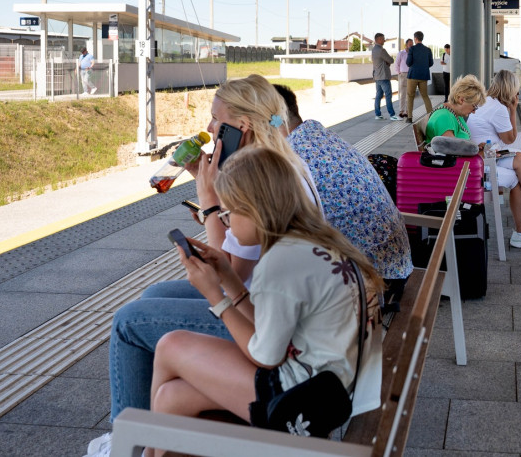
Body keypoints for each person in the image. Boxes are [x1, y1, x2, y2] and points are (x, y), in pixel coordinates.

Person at [102, 75, 320, 443]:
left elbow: (228, 272)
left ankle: (123, 438)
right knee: (153, 295)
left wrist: (209, 203)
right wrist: (215, 206)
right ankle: (142, 425)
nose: (209, 127)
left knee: (128, 321)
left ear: (241, 127)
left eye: (217, 119)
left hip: (269, 322)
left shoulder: (257, 178)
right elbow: (238, 254)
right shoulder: (282, 162)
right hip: (272, 305)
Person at [146, 147, 383, 452]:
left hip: (303, 403)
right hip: (335, 389)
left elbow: (266, 356)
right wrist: (229, 280)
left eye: (228, 214)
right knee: (171, 397)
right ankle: (146, 449)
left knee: (171, 345)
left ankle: (138, 443)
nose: (227, 224)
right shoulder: (313, 241)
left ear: (256, 208)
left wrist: (214, 295)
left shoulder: (280, 262)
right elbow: (269, 331)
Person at [274, 83, 412, 300]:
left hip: (372, 283)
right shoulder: (319, 136)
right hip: (394, 267)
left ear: (272, 120)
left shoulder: (291, 157)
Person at [425, 75, 521, 249]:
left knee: (519, 159)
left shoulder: (452, 114)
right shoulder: (444, 118)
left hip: (471, 166)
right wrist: (480, 152)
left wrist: (479, 148)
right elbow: (453, 154)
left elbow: (457, 148)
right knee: (518, 175)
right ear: (461, 99)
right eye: (474, 106)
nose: (474, 111)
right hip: (464, 174)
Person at [405, 30, 433, 122]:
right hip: (423, 76)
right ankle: (430, 115)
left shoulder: (412, 49)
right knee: (425, 96)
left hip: (413, 75)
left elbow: (408, 63)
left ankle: (409, 117)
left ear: (415, 38)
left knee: (410, 96)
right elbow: (431, 63)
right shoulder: (428, 50)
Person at [371, 32, 401, 121]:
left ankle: (378, 114)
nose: (384, 40)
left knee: (378, 95)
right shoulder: (381, 50)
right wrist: (387, 62)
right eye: (383, 39)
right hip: (383, 77)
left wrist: (385, 62)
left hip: (377, 76)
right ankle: (392, 115)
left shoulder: (373, 50)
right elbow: (391, 60)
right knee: (388, 95)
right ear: (379, 39)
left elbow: (381, 61)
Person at [394, 38, 412, 118]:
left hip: (411, 75)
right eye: (410, 44)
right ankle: (401, 111)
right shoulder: (401, 53)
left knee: (409, 94)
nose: (411, 46)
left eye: (412, 44)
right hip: (403, 75)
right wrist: (399, 73)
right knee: (402, 94)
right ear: (406, 45)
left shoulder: (412, 54)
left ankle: (407, 112)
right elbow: (396, 64)